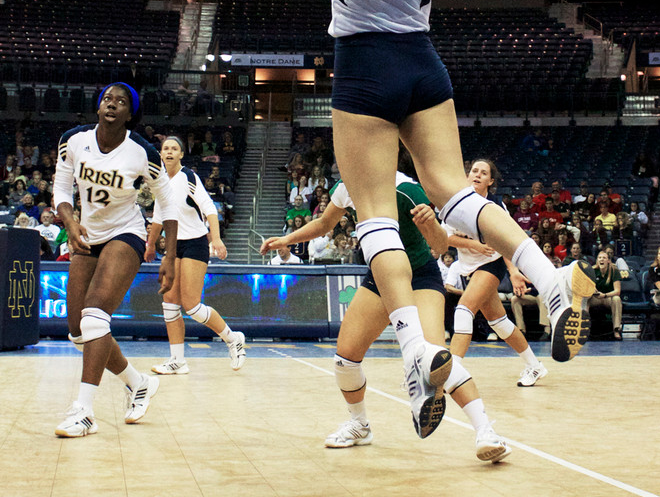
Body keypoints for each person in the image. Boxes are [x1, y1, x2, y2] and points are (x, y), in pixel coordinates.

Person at [173, 0, 596, 438]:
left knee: (373, 215)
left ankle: (416, 348)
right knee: (456, 194)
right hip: (423, 65)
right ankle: (548, 279)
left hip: (363, 69)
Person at [261, 168, 511, 463]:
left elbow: (440, 246)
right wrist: (286, 239)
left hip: (419, 276)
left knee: (435, 357)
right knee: (345, 356)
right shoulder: (348, 185)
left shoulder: (408, 190)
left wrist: (431, 224)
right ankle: (359, 424)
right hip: (380, 277)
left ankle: (486, 432)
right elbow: (325, 222)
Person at [52, 83, 179, 438]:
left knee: (94, 316)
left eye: (121, 102)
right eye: (108, 98)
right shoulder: (73, 141)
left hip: (127, 234)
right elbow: (61, 189)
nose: (112, 104)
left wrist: (169, 255)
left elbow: (166, 203)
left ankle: (84, 411)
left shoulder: (142, 152)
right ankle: (137, 383)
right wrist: (71, 222)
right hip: (87, 233)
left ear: (129, 114)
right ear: (98, 106)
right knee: (78, 331)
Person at [145, 136, 245, 375]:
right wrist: (150, 246)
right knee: (169, 303)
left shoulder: (188, 177)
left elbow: (210, 208)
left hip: (195, 244)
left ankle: (233, 339)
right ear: (160, 153)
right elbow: (158, 217)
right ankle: (177, 360)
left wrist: (217, 238)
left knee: (191, 306)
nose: (169, 152)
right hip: (172, 247)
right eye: (165, 148)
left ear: (181, 154)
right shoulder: (157, 181)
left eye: (174, 149)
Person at [443, 160, 547, 388]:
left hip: (492, 263)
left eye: (483, 173)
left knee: (463, 310)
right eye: (474, 171)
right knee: (498, 323)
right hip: (470, 266)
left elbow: (508, 240)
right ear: (467, 176)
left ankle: (453, 373)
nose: (477, 175)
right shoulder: (457, 202)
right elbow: (446, 238)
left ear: (490, 181)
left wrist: (513, 271)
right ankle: (535, 366)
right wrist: (475, 246)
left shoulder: (495, 206)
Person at [589, 249, 623, 341]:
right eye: (599, 258)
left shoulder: (614, 270)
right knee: (584, 299)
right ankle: (584, 328)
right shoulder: (592, 270)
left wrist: (604, 295)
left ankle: (616, 329)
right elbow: (587, 287)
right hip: (596, 298)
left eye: (604, 258)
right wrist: (593, 290)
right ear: (597, 260)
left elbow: (617, 291)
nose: (601, 260)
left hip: (608, 297)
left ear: (608, 260)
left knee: (617, 299)